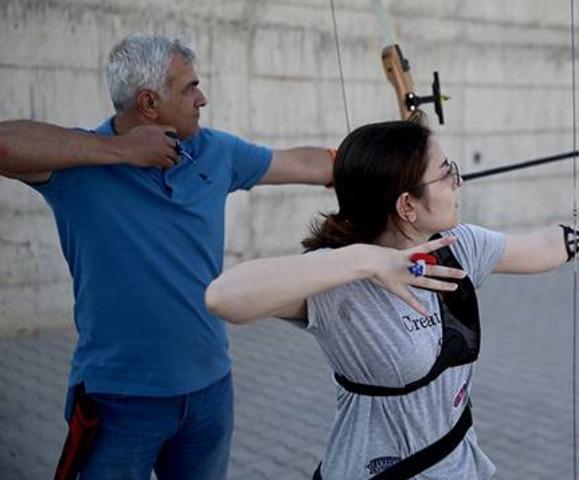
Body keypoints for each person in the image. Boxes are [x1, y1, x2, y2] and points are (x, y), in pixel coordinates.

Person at [204, 118, 579, 479]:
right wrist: (365, 261)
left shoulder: (457, 245)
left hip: (457, 466)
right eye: (447, 174)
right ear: (406, 205)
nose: (458, 182)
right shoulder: (336, 278)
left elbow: (540, 247)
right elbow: (225, 297)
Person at [0, 33, 334, 479]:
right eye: (190, 88)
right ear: (149, 103)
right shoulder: (76, 165)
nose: (203, 98)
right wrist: (121, 151)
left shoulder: (214, 151)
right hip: (118, 401)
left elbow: (304, 164)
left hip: (210, 391)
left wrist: (385, 157)